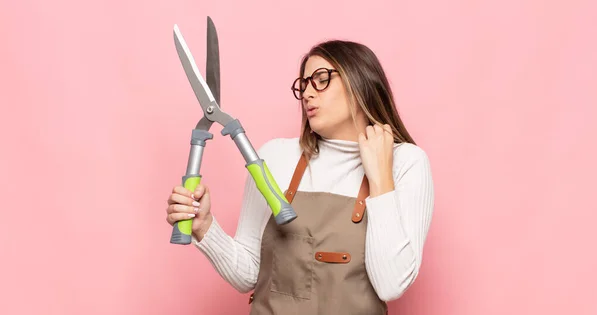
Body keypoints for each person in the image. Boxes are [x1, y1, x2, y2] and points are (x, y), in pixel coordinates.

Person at [165, 40, 435, 315]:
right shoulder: (274, 157)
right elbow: (248, 274)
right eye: (303, 85)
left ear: (360, 81)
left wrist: (379, 178)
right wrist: (204, 227)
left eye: (320, 79)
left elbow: (390, 285)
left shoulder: (406, 162)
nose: (307, 93)